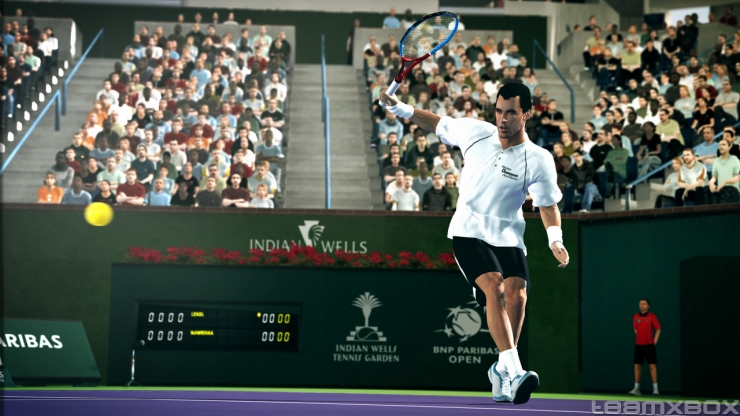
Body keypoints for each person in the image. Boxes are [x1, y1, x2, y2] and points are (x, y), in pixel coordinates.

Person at [380, 82, 567, 405]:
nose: (502, 119)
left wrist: (555, 239)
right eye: (499, 111)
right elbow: (435, 122)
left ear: (526, 114)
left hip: (508, 235)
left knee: (518, 295)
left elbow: (548, 204)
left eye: (511, 113)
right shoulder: (475, 132)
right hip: (469, 230)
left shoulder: (539, 159)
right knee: (494, 287)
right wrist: (399, 107)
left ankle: (500, 369)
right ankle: (515, 370)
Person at [629, 299, 661, 396]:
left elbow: (658, 329)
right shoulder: (635, 317)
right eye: (640, 304)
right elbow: (635, 328)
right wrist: (640, 337)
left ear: (648, 306)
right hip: (639, 345)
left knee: (652, 366)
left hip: (649, 345)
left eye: (644, 304)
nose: (641, 305)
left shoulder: (652, 316)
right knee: (637, 366)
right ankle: (636, 389)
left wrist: (654, 341)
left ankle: (655, 389)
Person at [708, 139, 740, 204]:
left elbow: (737, 178)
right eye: (719, 145)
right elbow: (714, 177)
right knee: (706, 190)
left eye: (723, 145)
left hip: (733, 189)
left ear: (729, 147)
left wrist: (725, 182)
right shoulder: (716, 161)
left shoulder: (734, 159)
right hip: (720, 190)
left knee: (728, 190)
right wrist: (711, 183)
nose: (721, 147)